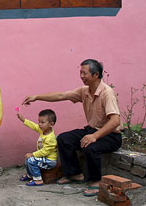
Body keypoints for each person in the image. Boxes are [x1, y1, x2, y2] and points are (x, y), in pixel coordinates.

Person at [22, 59, 122, 196]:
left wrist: (94, 136)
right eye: (80, 73)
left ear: (96, 75)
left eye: (84, 73)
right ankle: (74, 174)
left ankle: (96, 181)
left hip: (110, 135)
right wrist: (37, 97)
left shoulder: (107, 93)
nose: (81, 76)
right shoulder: (85, 91)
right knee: (64, 139)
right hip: (92, 129)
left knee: (91, 147)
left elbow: (115, 121)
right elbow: (61, 95)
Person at [16, 109, 58, 186]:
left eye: (42, 122)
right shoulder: (43, 131)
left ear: (51, 124)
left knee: (31, 160)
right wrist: (23, 120)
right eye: (39, 122)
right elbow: (33, 126)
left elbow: (45, 152)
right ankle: (30, 175)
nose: (39, 124)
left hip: (49, 161)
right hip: (43, 158)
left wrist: (32, 154)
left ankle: (38, 180)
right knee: (27, 158)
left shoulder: (50, 138)